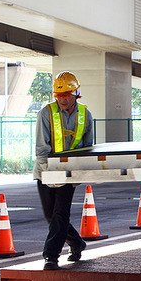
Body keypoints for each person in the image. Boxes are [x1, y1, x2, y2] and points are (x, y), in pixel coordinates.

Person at [33, 71, 94, 270]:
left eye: (67, 94)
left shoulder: (85, 114)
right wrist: (48, 176)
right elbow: (42, 149)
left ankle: (51, 256)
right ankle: (77, 243)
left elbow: (87, 147)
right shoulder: (46, 113)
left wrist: (78, 174)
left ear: (77, 93)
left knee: (60, 215)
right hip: (46, 172)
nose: (63, 99)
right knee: (51, 216)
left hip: (69, 173)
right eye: (59, 95)